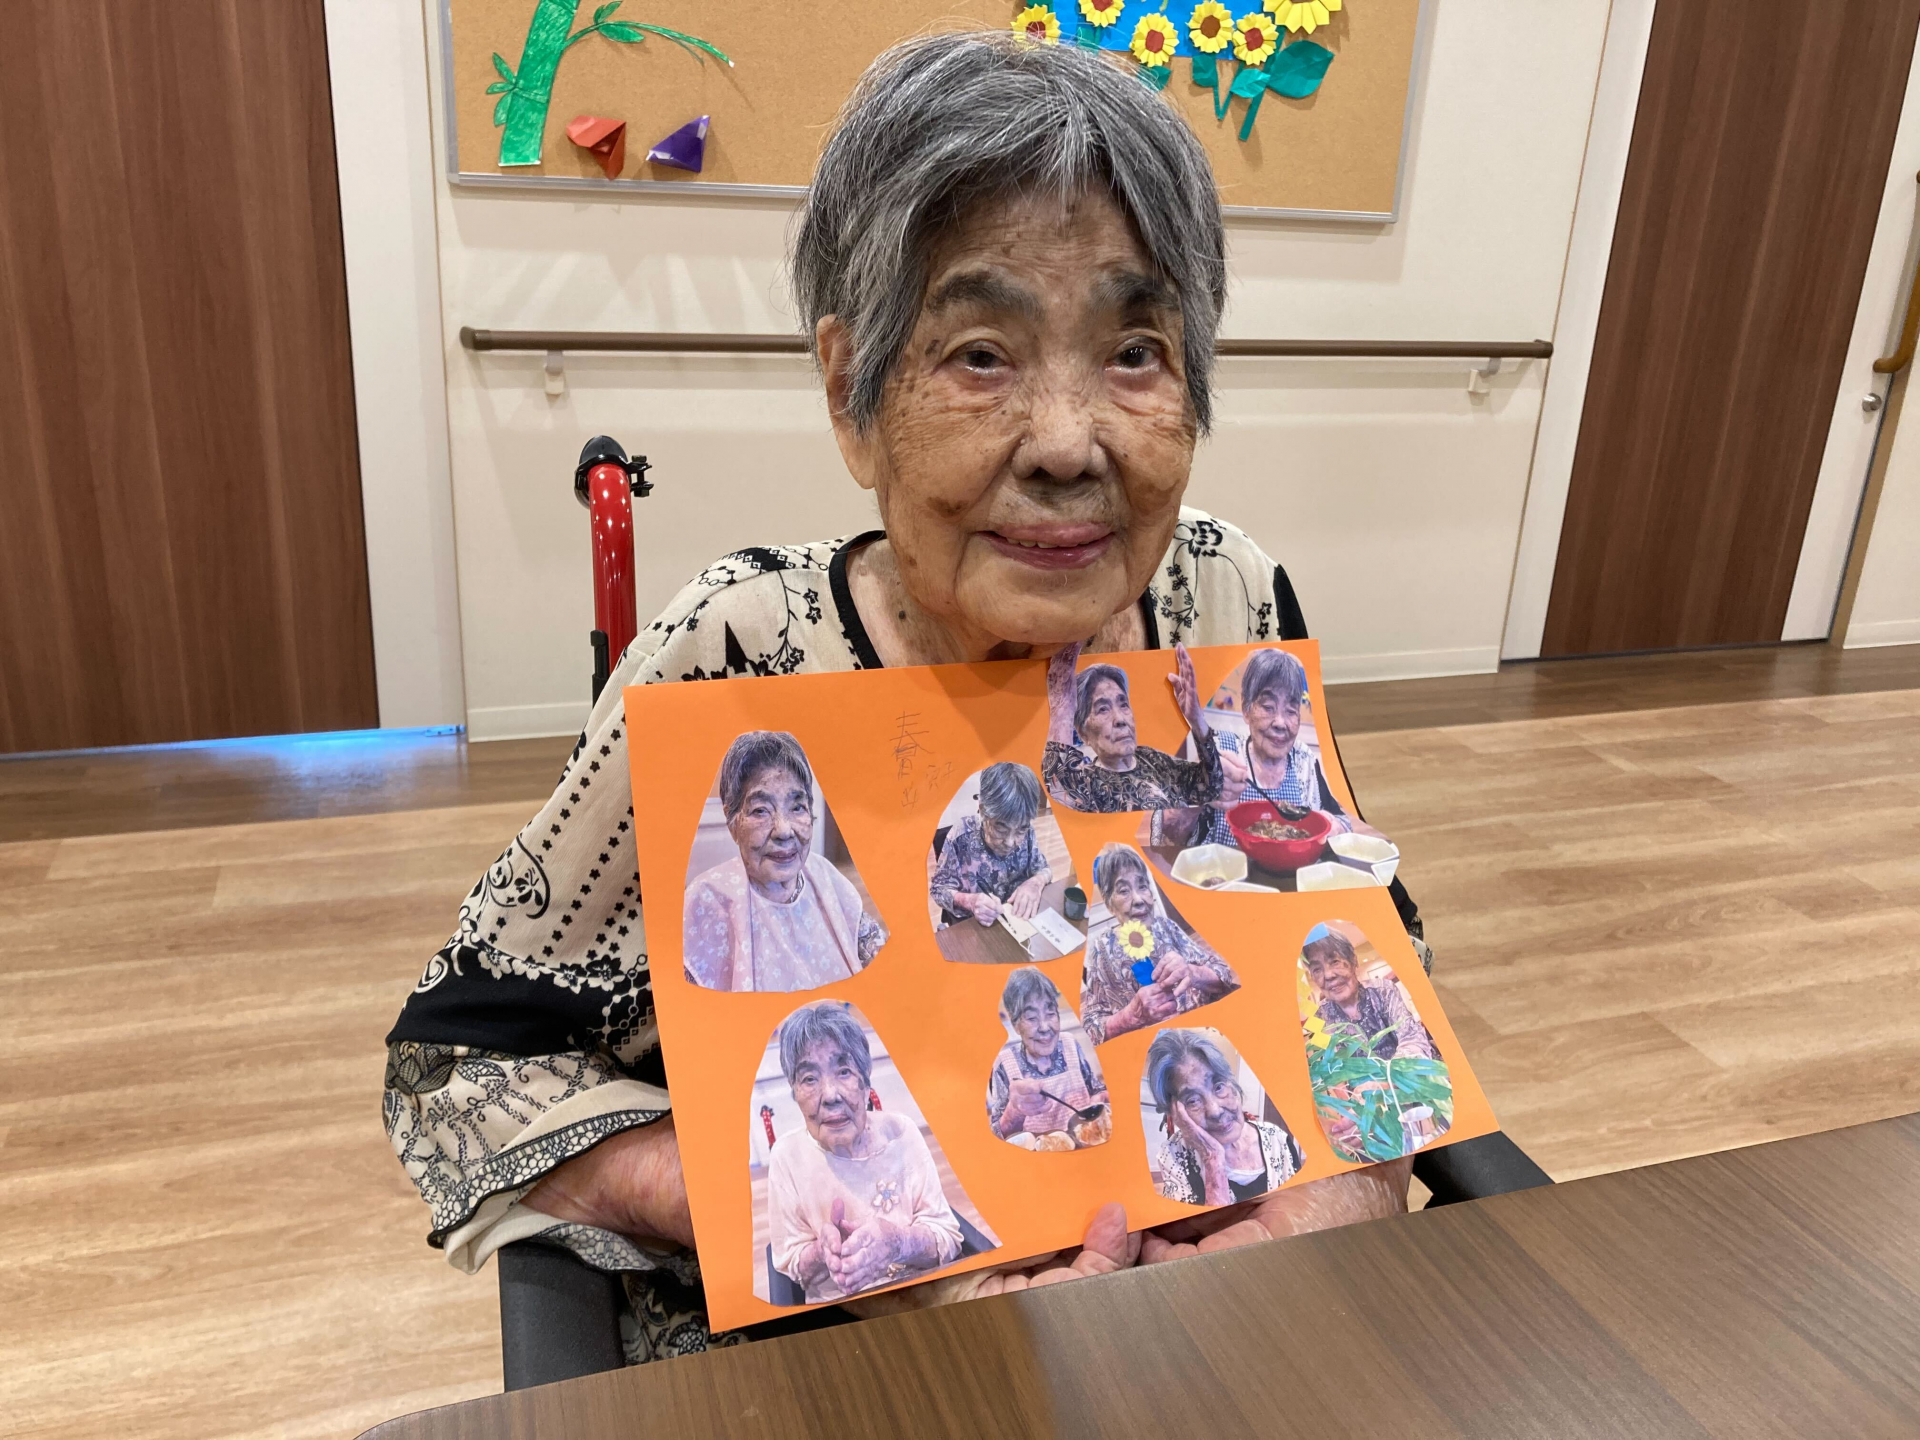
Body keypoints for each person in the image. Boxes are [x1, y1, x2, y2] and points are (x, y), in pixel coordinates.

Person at [382, 30, 1428, 1360]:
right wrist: (843, 1225)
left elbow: (1369, 952)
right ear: (850, 392)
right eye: (981, 355)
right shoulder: (741, 653)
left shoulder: (1229, 600)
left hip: (1227, 1318)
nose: (1068, 445)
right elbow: (461, 1067)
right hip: (843, 1344)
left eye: (1135, 351)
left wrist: (1339, 1200)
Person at [765, 1003, 969, 1303]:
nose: (830, 1095)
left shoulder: (902, 1133)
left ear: (865, 1083)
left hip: (930, 1295)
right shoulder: (788, 1157)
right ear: (794, 1093)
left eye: (844, 1071)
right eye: (809, 1079)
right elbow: (791, 1265)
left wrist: (898, 1242)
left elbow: (948, 1238)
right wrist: (822, 1251)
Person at [683, 731, 887, 992]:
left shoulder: (826, 875)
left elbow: (882, 963)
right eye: (760, 810)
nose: (783, 830)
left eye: (797, 807)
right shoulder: (706, 899)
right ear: (733, 823)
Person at [1160, 647, 1376, 850]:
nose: (1280, 723)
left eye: (1291, 710)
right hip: (1228, 874)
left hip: (1293, 873)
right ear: (1246, 709)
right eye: (1268, 707)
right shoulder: (1221, 750)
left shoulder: (1304, 761)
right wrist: (1199, 791)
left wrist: (1331, 826)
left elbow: (1343, 822)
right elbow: (1171, 832)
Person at [1078, 844, 1238, 1045]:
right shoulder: (1102, 950)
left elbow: (1223, 974)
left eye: (1143, 886)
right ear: (1110, 904)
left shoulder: (1167, 926)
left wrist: (1194, 973)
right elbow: (1091, 1028)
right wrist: (1130, 1016)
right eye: (1124, 891)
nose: (1138, 899)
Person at [1042, 645, 1223, 813]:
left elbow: (1210, 788)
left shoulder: (1151, 759)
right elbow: (1056, 780)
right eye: (1103, 709)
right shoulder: (1088, 783)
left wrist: (1196, 719)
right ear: (1083, 734)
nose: (1120, 719)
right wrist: (1062, 705)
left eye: (1124, 705)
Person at [1146, 1029, 1301, 1205]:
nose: (1215, 1111)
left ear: (1232, 1085)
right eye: (1193, 1100)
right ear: (1175, 1111)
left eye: (1219, 1087)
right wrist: (1212, 1159)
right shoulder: (1174, 1155)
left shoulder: (1277, 1139)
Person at [986, 968, 1109, 1149]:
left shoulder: (1070, 1043)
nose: (1044, 1027)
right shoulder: (1005, 1063)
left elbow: (1096, 1090)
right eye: (1031, 1018)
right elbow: (998, 1137)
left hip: (1087, 1144)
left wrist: (1100, 1099)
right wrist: (1014, 1112)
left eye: (1050, 1014)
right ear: (1015, 1025)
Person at [929, 763, 1052, 925]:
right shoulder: (961, 836)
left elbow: (1044, 869)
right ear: (982, 809)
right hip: (975, 927)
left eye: (1020, 830)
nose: (1010, 842)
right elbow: (938, 890)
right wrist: (969, 901)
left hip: (1016, 922)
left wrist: (1035, 883)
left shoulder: (1027, 831)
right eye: (1001, 829)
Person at [1303, 927, 1438, 1062]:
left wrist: (1388, 1074)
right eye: (1317, 969)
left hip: (1406, 1073)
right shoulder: (1320, 1015)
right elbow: (1326, 1063)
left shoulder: (1382, 991)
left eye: (1335, 962)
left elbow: (1412, 1039)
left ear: (1353, 960)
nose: (1328, 975)